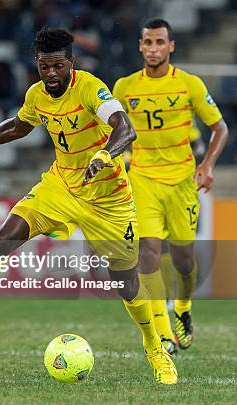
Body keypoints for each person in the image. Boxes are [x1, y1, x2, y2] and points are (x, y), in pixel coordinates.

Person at [0, 27, 178, 385]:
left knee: (126, 282)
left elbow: (125, 128)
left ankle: (155, 348)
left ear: (71, 62)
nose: (51, 74)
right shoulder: (37, 94)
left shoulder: (91, 87)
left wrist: (106, 153)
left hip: (108, 199)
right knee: (2, 241)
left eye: (58, 66)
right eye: (44, 67)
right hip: (59, 187)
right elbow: (17, 127)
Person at [113, 19, 229, 354]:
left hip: (181, 182)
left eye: (159, 42)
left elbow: (220, 129)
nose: (153, 49)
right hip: (143, 178)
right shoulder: (124, 87)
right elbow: (110, 128)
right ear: (140, 46)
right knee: (148, 252)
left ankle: (183, 306)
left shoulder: (189, 85)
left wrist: (206, 166)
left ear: (171, 47)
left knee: (183, 261)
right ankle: (164, 335)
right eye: (147, 42)